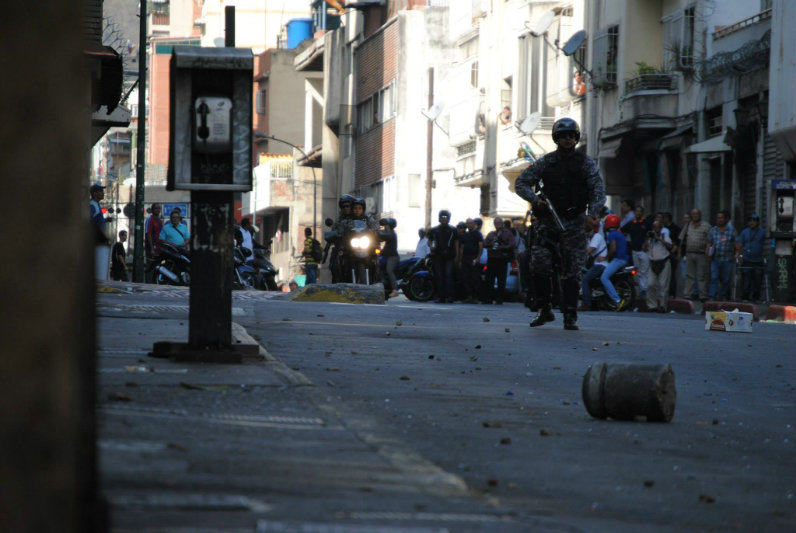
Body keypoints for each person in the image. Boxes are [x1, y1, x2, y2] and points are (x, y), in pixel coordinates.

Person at [515, 117, 606, 330]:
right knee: (539, 265)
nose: (567, 140)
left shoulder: (586, 163)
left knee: (571, 271)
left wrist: (592, 215)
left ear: (575, 138)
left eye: (571, 136)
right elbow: (521, 183)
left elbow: (598, 191)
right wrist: (535, 200)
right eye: (563, 136)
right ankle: (544, 309)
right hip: (547, 223)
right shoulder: (546, 162)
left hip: (574, 223)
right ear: (556, 138)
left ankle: (570, 314)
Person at [427, 209, 459, 303]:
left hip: (449, 256)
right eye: (442, 217)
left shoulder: (453, 230)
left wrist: (457, 256)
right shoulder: (434, 230)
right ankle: (441, 296)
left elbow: (456, 243)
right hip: (437, 255)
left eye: (446, 217)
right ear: (439, 218)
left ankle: (450, 296)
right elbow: (429, 240)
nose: (444, 219)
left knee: (448, 275)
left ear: (449, 219)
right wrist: (431, 246)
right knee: (439, 276)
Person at [679, 209, 710, 301]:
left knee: (701, 275)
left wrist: (708, 252)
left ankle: (702, 295)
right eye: (693, 214)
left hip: (701, 254)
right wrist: (680, 252)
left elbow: (710, 239)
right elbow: (681, 238)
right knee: (689, 275)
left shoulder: (706, 226)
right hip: (689, 253)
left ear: (700, 215)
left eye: (697, 214)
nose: (695, 216)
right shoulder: (688, 225)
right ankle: (688, 294)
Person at [600, 214, 630, 310]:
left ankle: (617, 300)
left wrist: (605, 257)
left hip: (618, 259)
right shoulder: (619, 233)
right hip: (624, 259)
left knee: (604, 278)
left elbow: (613, 248)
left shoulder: (612, 234)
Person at [707, 210, 738, 300]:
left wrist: (738, 255)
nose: (719, 220)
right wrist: (708, 254)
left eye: (721, 218)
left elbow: (737, 245)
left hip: (727, 259)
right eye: (718, 218)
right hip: (715, 259)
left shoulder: (732, 231)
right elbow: (709, 243)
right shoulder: (713, 230)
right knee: (714, 278)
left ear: (726, 219)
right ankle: (712, 297)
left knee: (726, 280)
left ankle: (723, 297)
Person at [483, 217, 515, 305]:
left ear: (502, 223)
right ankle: (488, 298)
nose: (497, 225)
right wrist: (491, 244)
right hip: (492, 259)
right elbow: (485, 244)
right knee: (489, 279)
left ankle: (499, 299)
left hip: (502, 259)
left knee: (501, 280)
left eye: (499, 223)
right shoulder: (491, 234)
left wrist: (501, 247)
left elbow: (511, 244)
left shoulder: (508, 233)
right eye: (496, 223)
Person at [579, 219, 608, 311]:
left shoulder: (597, 237)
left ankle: (586, 304)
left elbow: (590, 250)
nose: (587, 234)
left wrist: (580, 255)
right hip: (595, 264)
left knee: (585, 280)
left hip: (600, 264)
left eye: (587, 232)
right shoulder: (590, 238)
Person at [644, 220, 673, 312]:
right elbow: (644, 248)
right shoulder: (650, 238)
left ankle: (663, 306)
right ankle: (652, 305)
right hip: (653, 263)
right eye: (654, 227)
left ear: (661, 228)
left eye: (657, 227)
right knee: (650, 284)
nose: (655, 229)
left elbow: (670, 246)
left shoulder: (665, 235)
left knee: (663, 286)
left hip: (664, 262)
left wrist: (659, 239)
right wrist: (646, 238)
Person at [737, 213, 766, 301]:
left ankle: (756, 297)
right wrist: (740, 256)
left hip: (758, 260)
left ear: (758, 222)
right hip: (746, 259)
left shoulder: (762, 232)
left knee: (757, 280)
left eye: (754, 221)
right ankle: (745, 297)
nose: (752, 222)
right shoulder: (744, 232)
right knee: (746, 280)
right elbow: (740, 245)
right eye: (750, 221)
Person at [625, 205, 651, 299]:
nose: (638, 213)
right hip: (634, 250)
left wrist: (646, 242)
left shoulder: (646, 223)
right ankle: (641, 290)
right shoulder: (631, 223)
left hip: (644, 250)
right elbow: (622, 231)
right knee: (637, 271)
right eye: (637, 211)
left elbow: (650, 233)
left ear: (642, 213)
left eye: (640, 211)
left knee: (645, 270)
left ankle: (645, 290)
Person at [457, 218, 484, 303]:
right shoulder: (465, 235)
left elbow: (480, 246)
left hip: (473, 258)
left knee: (474, 277)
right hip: (465, 258)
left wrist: (478, 258)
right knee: (465, 277)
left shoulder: (477, 234)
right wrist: (460, 260)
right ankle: (468, 296)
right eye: (467, 223)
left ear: (473, 224)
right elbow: (462, 248)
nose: (469, 225)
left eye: (470, 223)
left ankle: (475, 297)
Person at [89, 182, 110, 280]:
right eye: (100, 191)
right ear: (94, 194)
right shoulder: (93, 206)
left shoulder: (96, 205)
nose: (103, 193)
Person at [379, 218, 399, 297]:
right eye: (384, 225)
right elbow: (381, 238)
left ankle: (395, 290)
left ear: (390, 226)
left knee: (389, 270)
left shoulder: (391, 234)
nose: (385, 227)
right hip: (386, 256)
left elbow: (383, 235)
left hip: (392, 257)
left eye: (386, 225)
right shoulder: (388, 234)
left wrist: (375, 231)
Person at [663, 212, 681, 297]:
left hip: (671, 253)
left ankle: (672, 293)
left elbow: (678, 242)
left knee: (672, 275)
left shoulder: (675, 229)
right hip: (662, 254)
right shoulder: (662, 229)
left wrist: (674, 252)